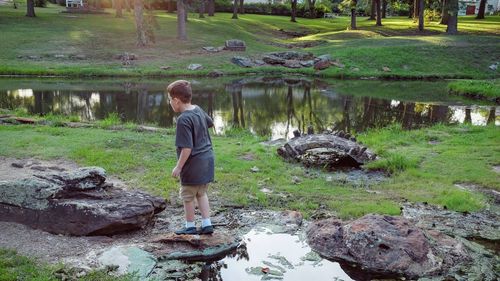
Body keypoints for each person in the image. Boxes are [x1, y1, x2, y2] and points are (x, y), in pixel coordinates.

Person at [167, 80, 215, 235]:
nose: (170, 103)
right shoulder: (198, 109)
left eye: (169, 100)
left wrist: (179, 166)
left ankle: (190, 227)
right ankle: (207, 224)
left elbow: (187, 148)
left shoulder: (183, 119)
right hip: (207, 160)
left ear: (176, 100)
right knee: (201, 193)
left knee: (188, 195)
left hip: (193, 164)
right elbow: (210, 123)